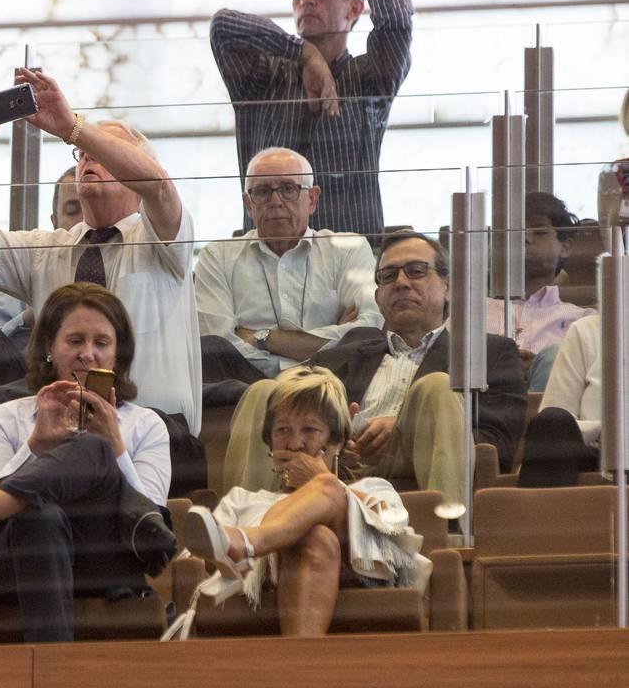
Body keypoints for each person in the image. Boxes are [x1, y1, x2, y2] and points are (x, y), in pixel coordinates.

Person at [0, 67, 202, 433]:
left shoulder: (163, 239)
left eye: (103, 152)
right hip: (63, 433)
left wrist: (72, 128)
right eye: (81, 154)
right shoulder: (49, 249)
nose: (88, 159)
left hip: (157, 431)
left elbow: (158, 187)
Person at [222, 232, 526, 513]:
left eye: (417, 271)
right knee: (265, 392)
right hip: (336, 456)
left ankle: (448, 538)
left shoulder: (488, 352)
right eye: (389, 275)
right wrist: (338, 433)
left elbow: (499, 443)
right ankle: (242, 537)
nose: (402, 282)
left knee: (437, 387)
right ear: (378, 296)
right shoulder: (353, 345)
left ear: (447, 287)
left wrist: (406, 427)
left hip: (415, 455)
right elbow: (296, 396)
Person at [0, 283, 175, 642]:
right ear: (49, 349)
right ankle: (55, 666)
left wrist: (114, 445)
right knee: (40, 517)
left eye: (101, 343)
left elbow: (150, 522)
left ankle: (48, 665)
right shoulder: (6, 418)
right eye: (75, 341)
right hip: (17, 557)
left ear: (118, 355)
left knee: (94, 449)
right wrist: (35, 445)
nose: (88, 354)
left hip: (107, 558)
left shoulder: (146, 424)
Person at [180, 366, 430, 637]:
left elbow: (392, 539)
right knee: (316, 539)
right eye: (283, 430)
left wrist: (322, 479)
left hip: (360, 576)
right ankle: (301, 668)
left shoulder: (375, 489)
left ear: (337, 443)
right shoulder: (244, 501)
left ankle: (248, 542)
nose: (295, 443)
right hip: (270, 582)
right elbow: (201, 558)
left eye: (310, 430)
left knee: (328, 489)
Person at [211, 0, 412, 239]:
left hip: (350, 265)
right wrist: (304, 53)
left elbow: (398, 20)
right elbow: (223, 26)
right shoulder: (262, 78)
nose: (306, 0)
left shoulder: (370, 78)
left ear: (354, 8)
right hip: (266, 265)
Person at [196, 147, 381, 383]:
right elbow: (218, 345)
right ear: (248, 204)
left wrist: (261, 338)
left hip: (334, 389)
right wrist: (325, 349)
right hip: (246, 391)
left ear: (312, 199)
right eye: (263, 192)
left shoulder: (347, 248)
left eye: (288, 189)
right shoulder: (217, 257)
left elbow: (368, 331)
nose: (275, 201)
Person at [484, 192, 595, 391]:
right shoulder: (472, 314)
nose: (525, 238)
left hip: (558, 414)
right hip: (482, 413)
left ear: (565, 247)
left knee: (555, 356)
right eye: (516, 232)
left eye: (539, 231)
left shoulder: (584, 320)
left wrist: (543, 366)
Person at [0, 167, 82, 353]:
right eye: (73, 210)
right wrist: (27, 320)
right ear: (54, 221)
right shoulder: (23, 286)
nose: (84, 221)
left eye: (93, 206)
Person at [519, 313, 603, 487]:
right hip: (599, 449)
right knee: (551, 422)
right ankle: (543, 513)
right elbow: (557, 414)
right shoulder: (585, 330)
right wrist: (605, 430)